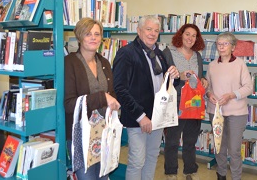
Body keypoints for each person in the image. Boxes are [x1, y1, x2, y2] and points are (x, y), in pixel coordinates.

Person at [113, 15, 180, 180]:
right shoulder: (126, 53)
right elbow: (120, 89)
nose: (152, 34)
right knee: (137, 161)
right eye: (148, 29)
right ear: (139, 31)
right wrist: (141, 117)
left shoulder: (159, 53)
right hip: (138, 118)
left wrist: (175, 76)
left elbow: (166, 83)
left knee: (152, 158)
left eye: (156, 30)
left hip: (157, 117)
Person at [64, 17, 120, 180]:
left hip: (104, 132)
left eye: (97, 34)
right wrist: (102, 98)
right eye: (88, 34)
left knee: (103, 177)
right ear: (80, 37)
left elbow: (112, 92)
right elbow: (69, 104)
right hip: (81, 134)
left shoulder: (104, 62)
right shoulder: (69, 63)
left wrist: (113, 102)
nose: (93, 38)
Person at [162, 24, 208, 180]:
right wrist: (178, 76)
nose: (190, 38)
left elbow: (200, 76)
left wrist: (203, 80)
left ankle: (190, 170)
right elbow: (161, 78)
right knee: (172, 140)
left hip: (194, 104)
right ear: (181, 35)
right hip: (175, 104)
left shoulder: (197, 56)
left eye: (194, 35)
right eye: (187, 34)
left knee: (190, 140)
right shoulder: (168, 53)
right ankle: (171, 172)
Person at [205, 32, 253, 180]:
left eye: (225, 44)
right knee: (219, 147)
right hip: (216, 112)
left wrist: (231, 95)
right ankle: (221, 175)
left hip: (237, 113)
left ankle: (236, 177)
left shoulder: (240, 64)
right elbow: (207, 87)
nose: (221, 47)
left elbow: (248, 88)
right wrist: (208, 94)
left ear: (233, 47)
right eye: (219, 44)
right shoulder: (212, 65)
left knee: (234, 150)